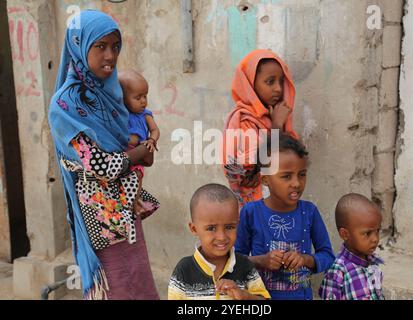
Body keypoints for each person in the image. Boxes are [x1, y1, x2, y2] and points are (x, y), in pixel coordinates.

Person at [48, 10, 159, 300]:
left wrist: (139, 151)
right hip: (99, 216)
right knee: (116, 286)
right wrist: (138, 154)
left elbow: (132, 140)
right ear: (78, 46)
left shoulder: (113, 93)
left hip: (126, 208)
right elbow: (101, 166)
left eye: (114, 46)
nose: (110, 55)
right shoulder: (64, 107)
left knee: (139, 280)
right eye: (100, 46)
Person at [235, 134, 335, 300]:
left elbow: (328, 257)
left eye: (302, 174)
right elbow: (235, 261)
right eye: (286, 176)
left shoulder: (309, 213)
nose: (296, 183)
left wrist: (305, 259)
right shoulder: (251, 212)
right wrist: (261, 261)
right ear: (266, 179)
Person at [223, 49, 299, 208]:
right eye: (270, 82)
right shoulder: (244, 120)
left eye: (281, 81)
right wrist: (277, 126)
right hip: (257, 208)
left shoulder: (269, 118)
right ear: (250, 84)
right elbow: (255, 168)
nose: (278, 88)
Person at [168, 184, 270, 300]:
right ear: (194, 229)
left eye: (229, 227)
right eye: (211, 228)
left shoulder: (245, 265)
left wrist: (244, 295)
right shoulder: (184, 270)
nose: (222, 237)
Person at [319, 193, 384, 300]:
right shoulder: (338, 272)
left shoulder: (373, 263)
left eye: (377, 231)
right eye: (367, 233)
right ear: (345, 234)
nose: (375, 239)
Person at [118, 69, 160, 152]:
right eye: (138, 98)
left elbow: (155, 130)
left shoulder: (145, 115)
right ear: (123, 98)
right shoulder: (120, 113)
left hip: (139, 150)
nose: (143, 101)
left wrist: (151, 140)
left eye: (145, 96)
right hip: (122, 151)